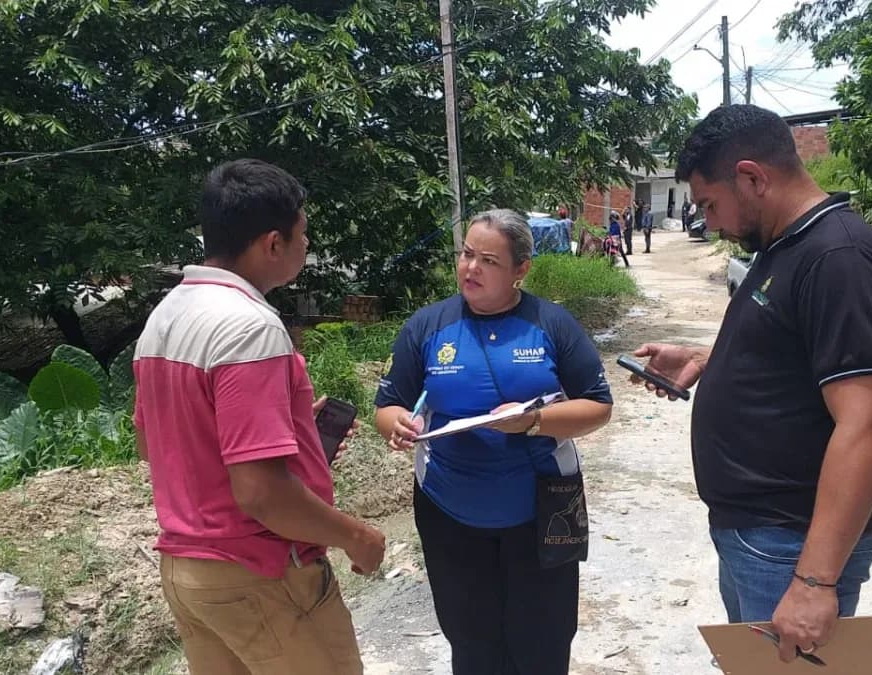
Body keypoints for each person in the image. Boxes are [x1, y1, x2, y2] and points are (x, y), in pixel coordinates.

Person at [632, 105, 872, 664]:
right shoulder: (786, 246)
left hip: (789, 544)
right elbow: (795, 352)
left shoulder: (840, 257)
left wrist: (815, 582)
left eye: (710, 204)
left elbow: (869, 424)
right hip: (758, 535)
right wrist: (709, 359)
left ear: (753, 177)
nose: (708, 221)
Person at [133, 159, 386, 675]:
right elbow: (260, 492)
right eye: (303, 235)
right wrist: (358, 537)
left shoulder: (166, 316)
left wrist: (285, 427)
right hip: (260, 574)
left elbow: (154, 441)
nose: (306, 246)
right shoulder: (250, 329)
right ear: (273, 244)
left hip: (189, 574)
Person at [376, 209, 614, 675]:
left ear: (521, 269)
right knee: (471, 640)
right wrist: (397, 425)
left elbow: (598, 407)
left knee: (542, 641)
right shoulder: (427, 326)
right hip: (448, 511)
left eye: (488, 260)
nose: (470, 268)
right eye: (466, 254)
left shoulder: (552, 324)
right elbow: (388, 406)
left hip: (544, 509)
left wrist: (533, 420)